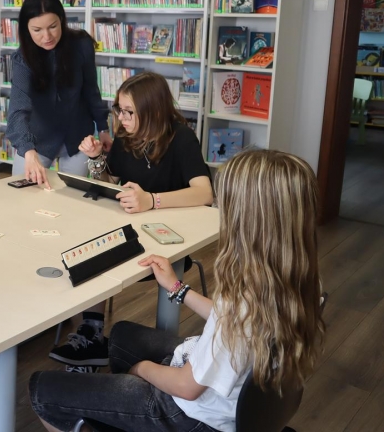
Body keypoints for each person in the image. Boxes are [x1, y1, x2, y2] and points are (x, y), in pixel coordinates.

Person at [29, 149, 325, 432]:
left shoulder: (243, 301)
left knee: (42, 388)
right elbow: (230, 319)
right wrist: (177, 289)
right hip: (227, 401)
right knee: (120, 336)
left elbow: (187, 387)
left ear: (246, 221)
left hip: (191, 416)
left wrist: (143, 370)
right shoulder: (294, 279)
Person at [49, 71, 214, 370]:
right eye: (119, 110)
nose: (121, 119)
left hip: (168, 239)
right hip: (129, 229)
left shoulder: (181, 138)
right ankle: (92, 332)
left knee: (97, 253)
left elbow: (205, 193)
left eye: (129, 112)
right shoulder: (126, 137)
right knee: (88, 244)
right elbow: (113, 184)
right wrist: (97, 159)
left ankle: (96, 336)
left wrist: (152, 200)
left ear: (152, 111)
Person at [6, 0, 111, 190]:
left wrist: (103, 128)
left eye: (53, 27)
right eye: (37, 30)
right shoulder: (22, 59)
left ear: (62, 20)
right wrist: (28, 151)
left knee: (72, 197)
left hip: (78, 138)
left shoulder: (81, 45)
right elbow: (18, 111)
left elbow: (91, 90)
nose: (47, 36)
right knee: (23, 196)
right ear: (26, 29)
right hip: (37, 139)